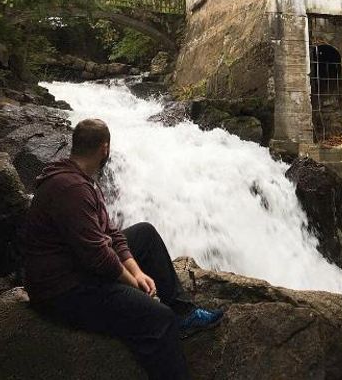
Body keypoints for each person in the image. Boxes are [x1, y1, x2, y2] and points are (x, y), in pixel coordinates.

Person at [22, 118, 223, 378]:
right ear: (105, 148)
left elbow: (112, 234)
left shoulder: (80, 179)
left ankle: (183, 313)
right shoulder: (71, 189)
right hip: (61, 290)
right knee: (159, 319)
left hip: (75, 265)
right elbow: (98, 258)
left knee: (144, 234)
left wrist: (137, 271)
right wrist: (132, 283)